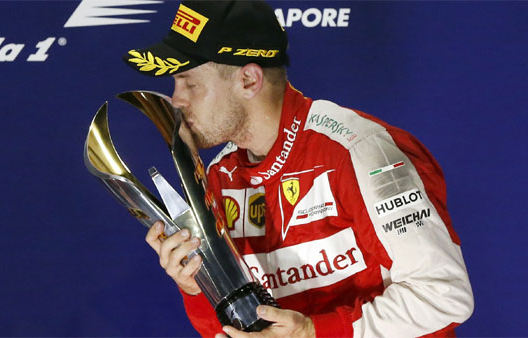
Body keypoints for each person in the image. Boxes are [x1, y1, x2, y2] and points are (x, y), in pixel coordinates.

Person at [124, 1, 474, 337]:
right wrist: (197, 286)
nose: (177, 99)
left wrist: (315, 332)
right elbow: (233, 330)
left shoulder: (357, 150)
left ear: (248, 80)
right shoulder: (220, 177)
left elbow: (443, 295)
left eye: (189, 82)